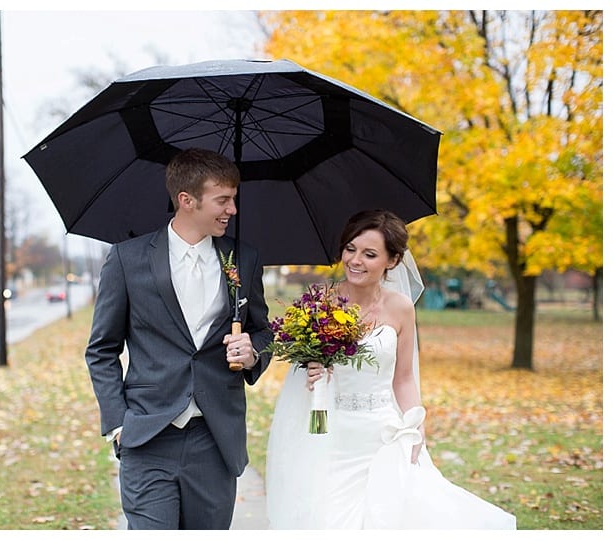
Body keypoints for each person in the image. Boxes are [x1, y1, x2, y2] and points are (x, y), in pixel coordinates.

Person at [265, 209, 516, 529]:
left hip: (383, 434)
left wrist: (416, 425)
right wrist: (312, 372)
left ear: (392, 261)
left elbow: (405, 378)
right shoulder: (320, 304)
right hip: (331, 433)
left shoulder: (401, 308)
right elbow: (304, 371)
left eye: (370, 254)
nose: (355, 260)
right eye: (350, 249)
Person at [85, 147, 273, 530]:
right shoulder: (127, 259)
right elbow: (101, 350)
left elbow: (263, 330)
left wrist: (253, 352)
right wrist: (119, 423)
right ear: (186, 201)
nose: (232, 210)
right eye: (223, 200)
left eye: (233, 199)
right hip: (148, 435)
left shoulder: (244, 259)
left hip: (215, 438)